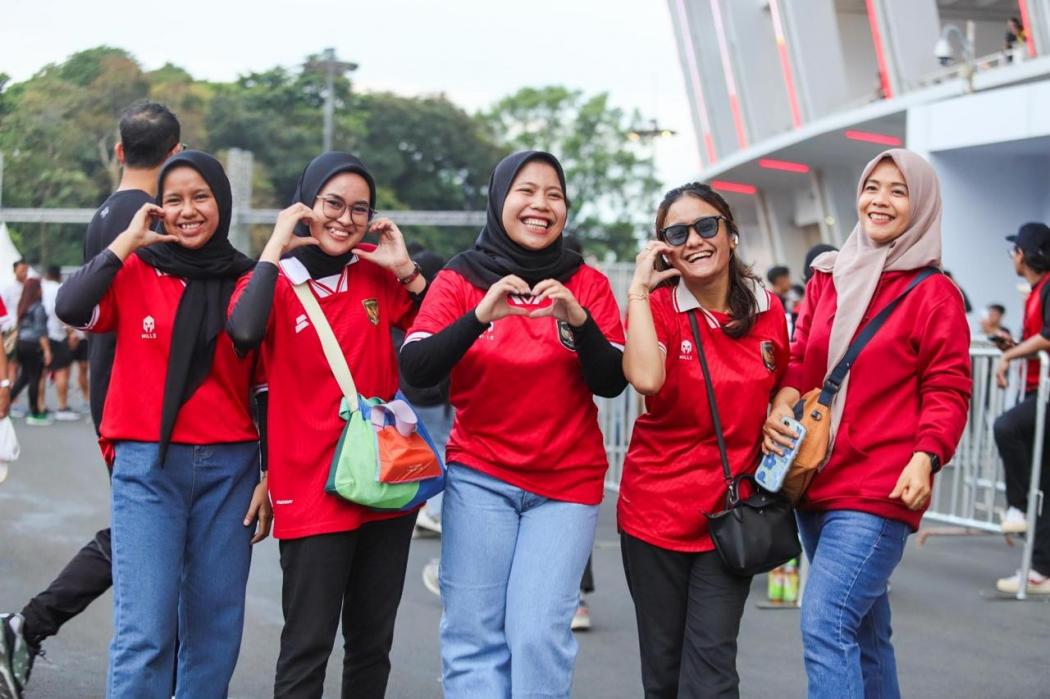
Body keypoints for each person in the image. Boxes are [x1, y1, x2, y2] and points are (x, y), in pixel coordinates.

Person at [400, 150, 627, 698]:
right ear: (500, 199)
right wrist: (480, 317)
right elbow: (416, 369)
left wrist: (577, 320)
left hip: (565, 486)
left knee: (537, 637)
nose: (541, 205)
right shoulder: (459, 278)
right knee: (472, 636)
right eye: (527, 191)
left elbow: (612, 380)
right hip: (480, 478)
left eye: (554, 194)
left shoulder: (586, 284)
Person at [55, 150, 270, 699]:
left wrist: (271, 473)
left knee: (213, 633)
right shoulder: (133, 271)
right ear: (157, 209)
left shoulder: (250, 280)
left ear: (221, 201)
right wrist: (127, 240)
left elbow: (269, 388)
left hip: (231, 471)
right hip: (148, 467)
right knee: (145, 632)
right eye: (174, 200)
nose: (188, 210)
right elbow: (72, 306)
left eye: (201, 197)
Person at [763, 149, 971, 698]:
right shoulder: (828, 276)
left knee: (824, 622)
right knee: (867, 634)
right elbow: (805, 356)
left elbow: (947, 387)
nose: (880, 200)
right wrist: (781, 403)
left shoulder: (933, 293)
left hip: (880, 485)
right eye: (872, 187)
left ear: (921, 204)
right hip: (815, 477)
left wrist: (927, 456)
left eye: (898, 191)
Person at [0, 100, 184, 699]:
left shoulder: (106, 213)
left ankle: (30, 626)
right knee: (149, 539)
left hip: (114, 391)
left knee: (151, 536)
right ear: (176, 156)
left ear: (118, 150)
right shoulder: (152, 218)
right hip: (145, 401)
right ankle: (29, 625)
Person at [226, 151, 426, 698]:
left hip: (386, 483)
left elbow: (439, 335)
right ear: (306, 204)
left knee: (371, 643)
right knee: (307, 643)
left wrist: (405, 268)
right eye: (332, 203)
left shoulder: (376, 279)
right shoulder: (273, 282)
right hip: (311, 486)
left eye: (359, 209)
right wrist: (275, 243)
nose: (345, 219)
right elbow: (243, 332)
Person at [619, 182, 789, 698]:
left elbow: (787, 373)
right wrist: (638, 292)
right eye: (677, 233)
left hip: (728, 516)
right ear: (663, 247)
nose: (694, 239)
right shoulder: (660, 308)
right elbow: (646, 380)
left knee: (712, 674)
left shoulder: (767, 307)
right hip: (653, 515)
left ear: (731, 234)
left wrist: (782, 405)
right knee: (664, 672)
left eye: (706, 226)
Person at [992, 222, 1050, 589]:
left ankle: (1019, 506)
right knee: (1046, 481)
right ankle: (1040, 571)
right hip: (1037, 391)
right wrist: (1012, 346)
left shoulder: (1048, 288)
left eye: (1014, 250)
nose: (1011, 256)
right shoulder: (1035, 291)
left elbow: (1048, 337)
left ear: (1024, 253)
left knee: (1006, 427)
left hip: (1046, 393)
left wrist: (1010, 354)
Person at [10, 278, 52, 426]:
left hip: (22, 343)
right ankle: (34, 412)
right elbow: (41, 331)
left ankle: (6, 403)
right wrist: (47, 351)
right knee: (35, 377)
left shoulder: (23, 305)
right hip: (34, 345)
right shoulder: (38, 307)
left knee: (24, 377)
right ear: (37, 290)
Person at [41, 265, 80, 421]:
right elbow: (60, 312)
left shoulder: (40, 288)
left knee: (40, 374)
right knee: (62, 371)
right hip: (56, 335)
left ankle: (40, 405)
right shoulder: (58, 289)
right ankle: (62, 406)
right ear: (58, 275)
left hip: (41, 335)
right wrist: (70, 331)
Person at [2, 260, 30, 412]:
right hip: (11, 331)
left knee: (23, 367)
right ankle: (12, 400)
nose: (24, 273)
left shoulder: (30, 288)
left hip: (27, 332)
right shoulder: (8, 289)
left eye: (26, 270)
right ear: (14, 271)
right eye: (21, 270)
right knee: (12, 366)